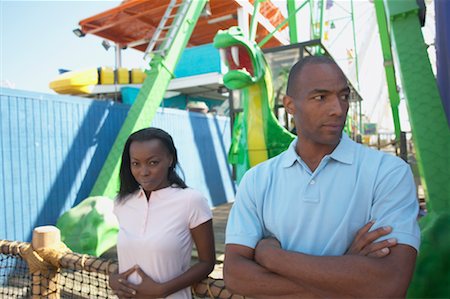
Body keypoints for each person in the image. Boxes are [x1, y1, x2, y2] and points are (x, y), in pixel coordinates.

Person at [224, 56, 420, 298]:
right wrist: (347, 275)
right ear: (290, 105)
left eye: (344, 96)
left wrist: (273, 257)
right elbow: (235, 275)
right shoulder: (257, 180)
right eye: (321, 97)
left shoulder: (387, 172)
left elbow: (389, 283)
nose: (338, 109)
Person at [109, 127, 215, 298]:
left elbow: (207, 263)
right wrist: (113, 278)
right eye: (136, 163)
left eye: (153, 162)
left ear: (170, 159)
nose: (143, 172)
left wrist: (161, 290)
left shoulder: (191, 200)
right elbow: (134, 253)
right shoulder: (122, 202)